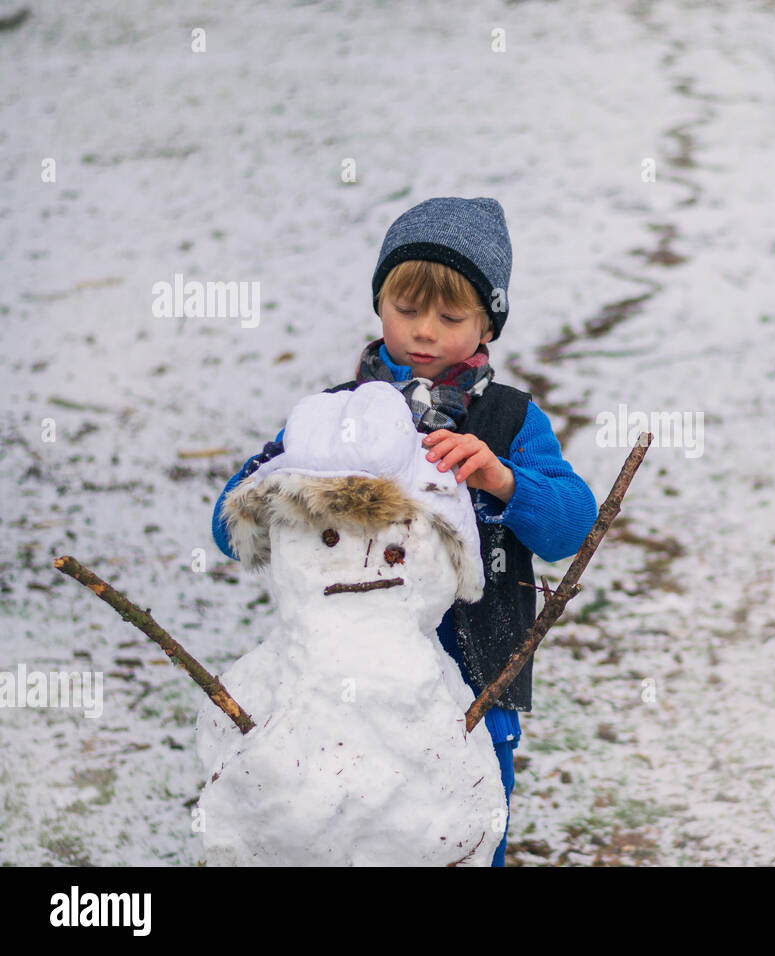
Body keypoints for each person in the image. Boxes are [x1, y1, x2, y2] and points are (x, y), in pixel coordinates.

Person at [211, 196, 599, 866]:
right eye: (405, 309)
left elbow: (570, 524)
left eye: (450, 317)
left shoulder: (507, 421)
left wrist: (505, 482)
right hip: (346, 688)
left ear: (487, 326)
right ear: (378, 306)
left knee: (464, 828)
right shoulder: (330, 418)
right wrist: (283, 476)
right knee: (349, 829)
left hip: (476, 683)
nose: (424, 331)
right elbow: (229, 527)